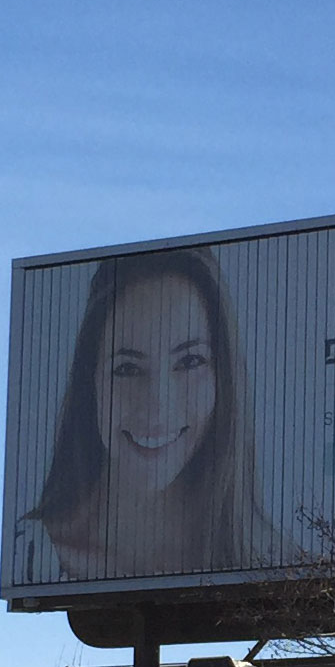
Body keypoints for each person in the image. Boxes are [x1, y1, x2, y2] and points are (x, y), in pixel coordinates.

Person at [18, 247, 278, 582]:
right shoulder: (26, 555)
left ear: (223, 376)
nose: (158, 407)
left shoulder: (288, 568)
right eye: (127, 368)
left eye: (189, 362)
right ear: (90, 382)